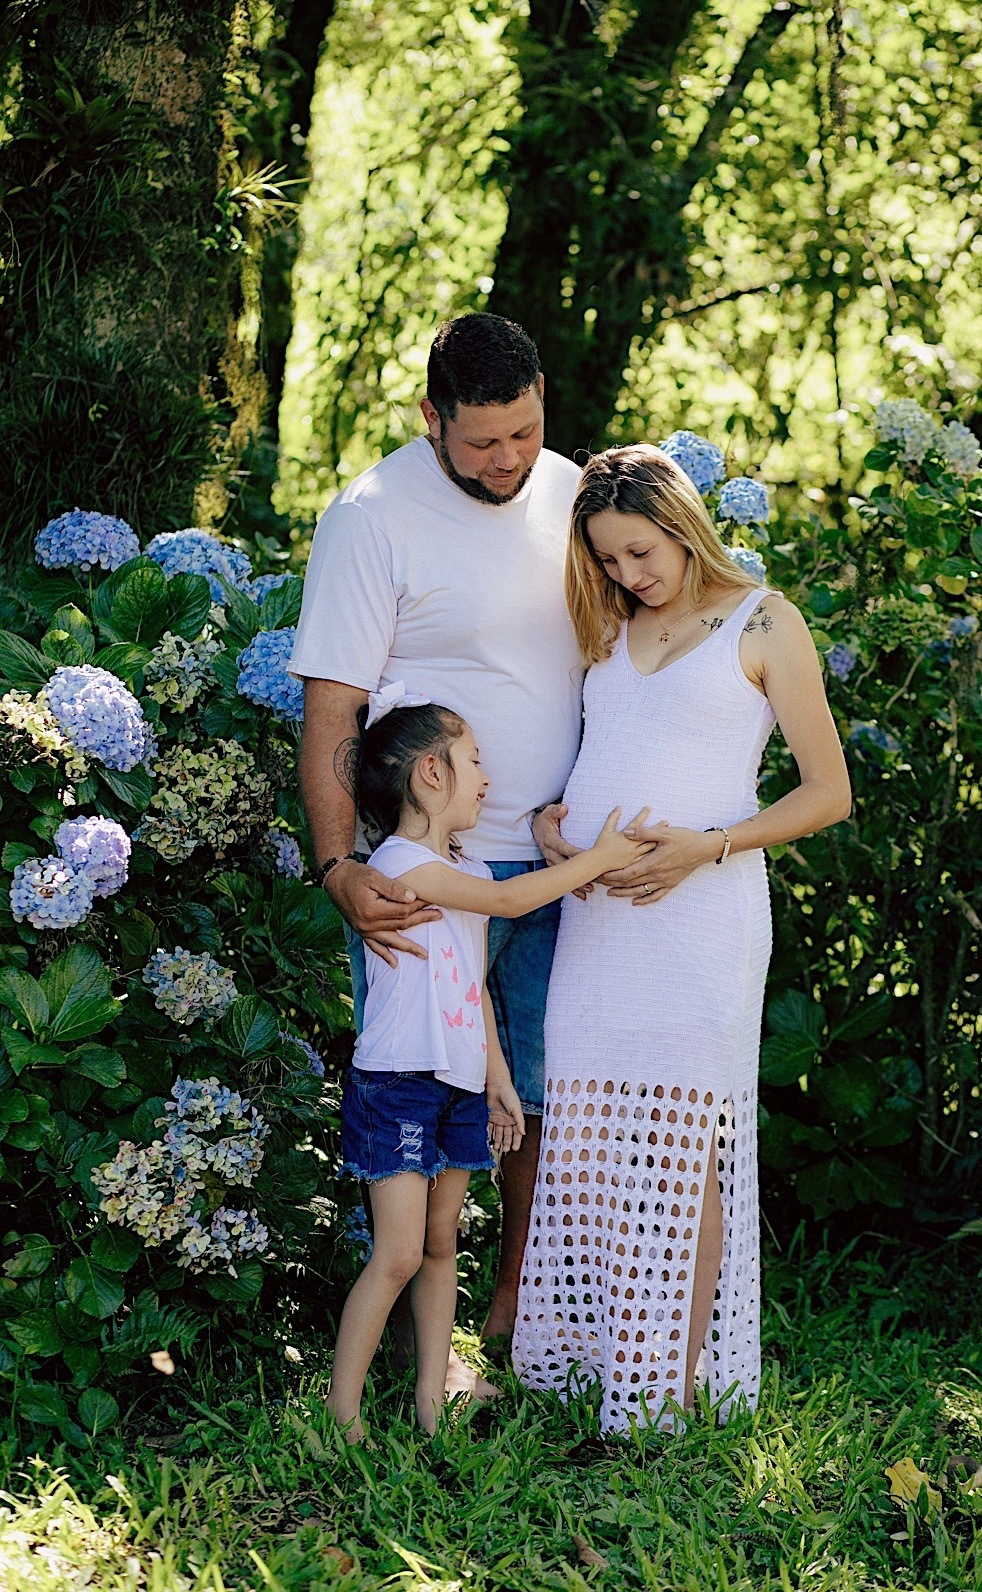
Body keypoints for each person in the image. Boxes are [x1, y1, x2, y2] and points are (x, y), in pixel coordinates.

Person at [512, 445, 852, 1436]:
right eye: (608, 558)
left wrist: (708, 845)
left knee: (677, 1142)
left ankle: (669, 1384)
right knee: (586, 1140)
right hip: (597, 916)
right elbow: (599, 755)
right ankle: (602, 1356)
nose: (627, 573)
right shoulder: (608, 626)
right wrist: (550, 827)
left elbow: (827, 792)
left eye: (640, 552)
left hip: (701, 916)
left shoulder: (763, 621)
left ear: (682, 526)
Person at [288, 313, 584, 1377]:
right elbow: (333, 710)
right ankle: (404, 1345)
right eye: (481, 442)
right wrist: (338, 867)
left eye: (524, 432)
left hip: (554, 863)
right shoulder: (371, 518)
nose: (508, 460)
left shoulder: (572, 493)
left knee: (536, 1096)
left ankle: (514, 1318)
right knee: (420, 1095)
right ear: (430, 418)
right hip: (422, 880)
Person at [325, 685, 648, 1440]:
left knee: (442, 1245)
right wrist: (598, 860)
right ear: (431, 773)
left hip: (459, 1085)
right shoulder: (402, 863)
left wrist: (497, 1082)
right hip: (400, 1086)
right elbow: (508, 905)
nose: (487, 778)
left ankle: (431, 1406)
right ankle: (340, 1416)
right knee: (398, 1253)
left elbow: (469, 991)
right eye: (474, 761)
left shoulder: (459, 863)